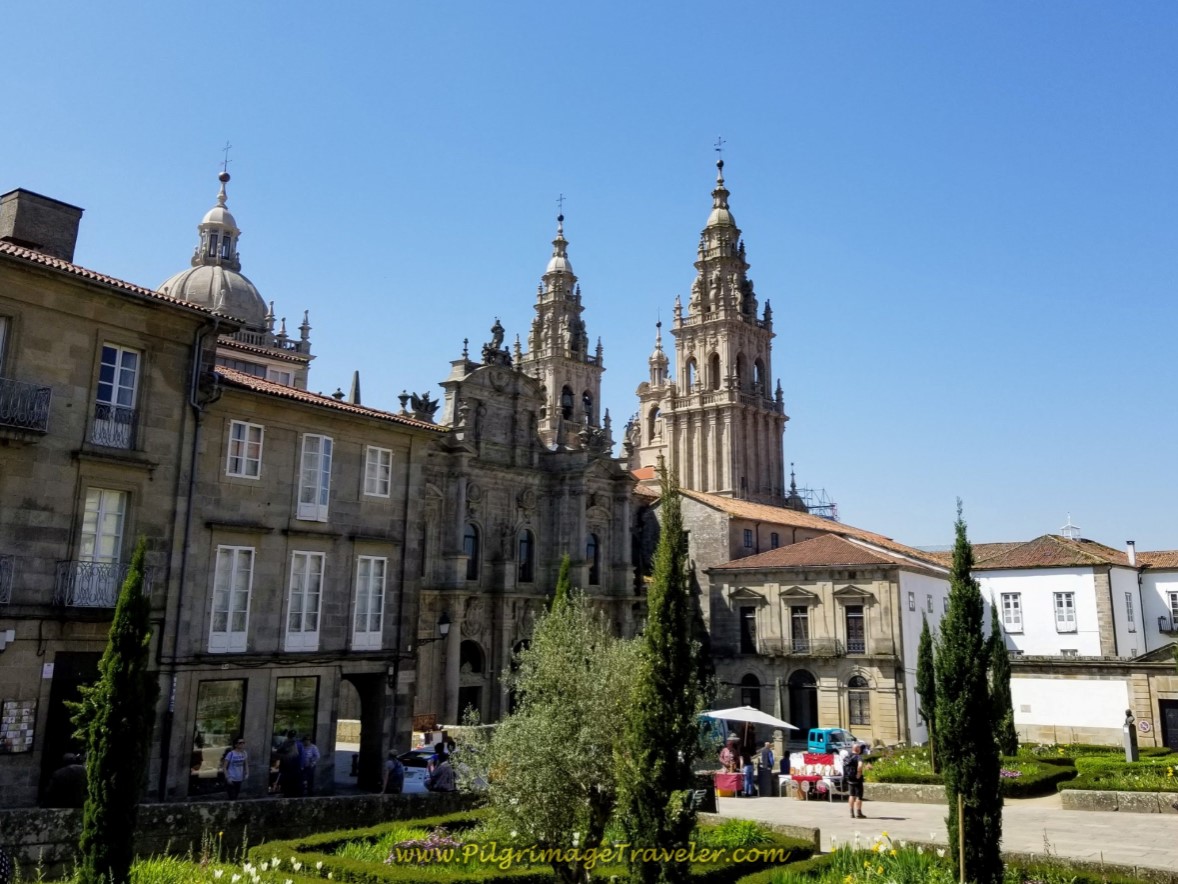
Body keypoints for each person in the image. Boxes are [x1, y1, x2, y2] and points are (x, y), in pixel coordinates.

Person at [276, 730, 305, 797]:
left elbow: (279, 752)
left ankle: (288, 794)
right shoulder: (299, 744)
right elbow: (302, 756)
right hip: (294, 767)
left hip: (288, 767)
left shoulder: (285, 743)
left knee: (288, 785)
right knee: (294, 785)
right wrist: (302, 766)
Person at [845, 741, 868, 818]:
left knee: (851, 794)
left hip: (850, 777)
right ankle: (859, 813)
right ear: (857, 749)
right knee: (859, 796)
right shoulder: (858, 757)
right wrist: (859, 773)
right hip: (857, 778)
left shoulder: (848, 756)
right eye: (859, 747)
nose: (860, 749)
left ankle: (851, 813)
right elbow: (860, 765)